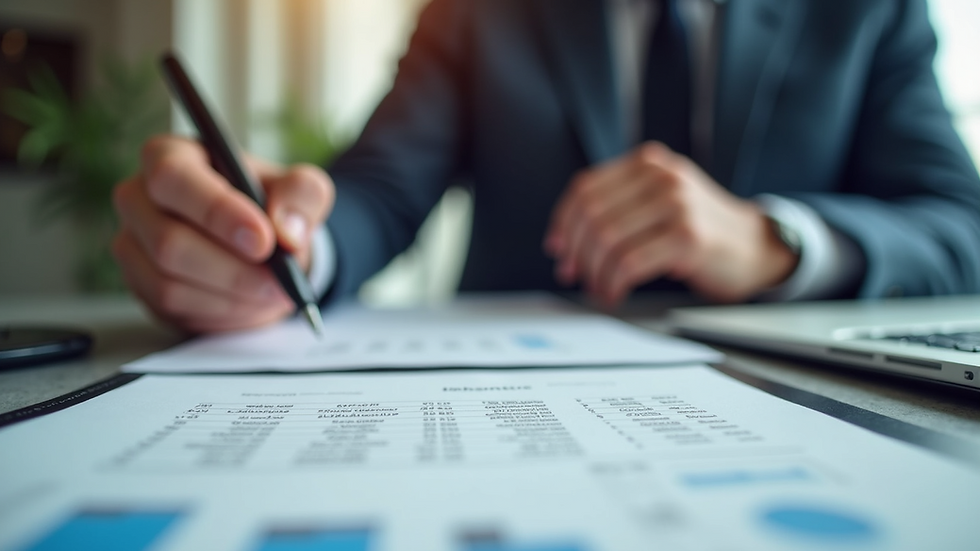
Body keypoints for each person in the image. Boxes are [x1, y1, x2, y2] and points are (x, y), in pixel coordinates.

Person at [113, 0, 980, 334]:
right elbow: (381, 188)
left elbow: (960, 223)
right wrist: (297, 244)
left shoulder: (871, 10)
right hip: (511, 400)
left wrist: (774, 241)